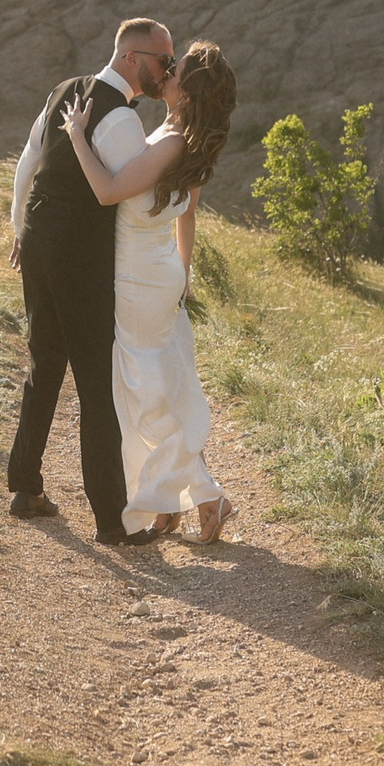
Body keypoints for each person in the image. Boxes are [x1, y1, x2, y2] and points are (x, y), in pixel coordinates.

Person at [58, 40, 240, 542]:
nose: (166, 71)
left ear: (186, 88)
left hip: (140, 276)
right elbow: (190, 214)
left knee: (144, 395)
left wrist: (77, 135)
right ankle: (169, 502)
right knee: (156, 387)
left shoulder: (171, 142)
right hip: (158, 272)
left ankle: (209, 496)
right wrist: (183, 273)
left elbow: (107, 191)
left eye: (174, 69)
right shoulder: (186, 138)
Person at [5, 18, 176, 545]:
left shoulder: (62, 91)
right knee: (98, 386)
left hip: (37, 238)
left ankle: (26, 486)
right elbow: (136, 198)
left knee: (44, 361)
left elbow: (27, 163)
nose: (166, 71)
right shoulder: (119, 117)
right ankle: (110, 520)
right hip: (79, 254)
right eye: (162, 61)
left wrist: (19, 230)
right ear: (131, 57)